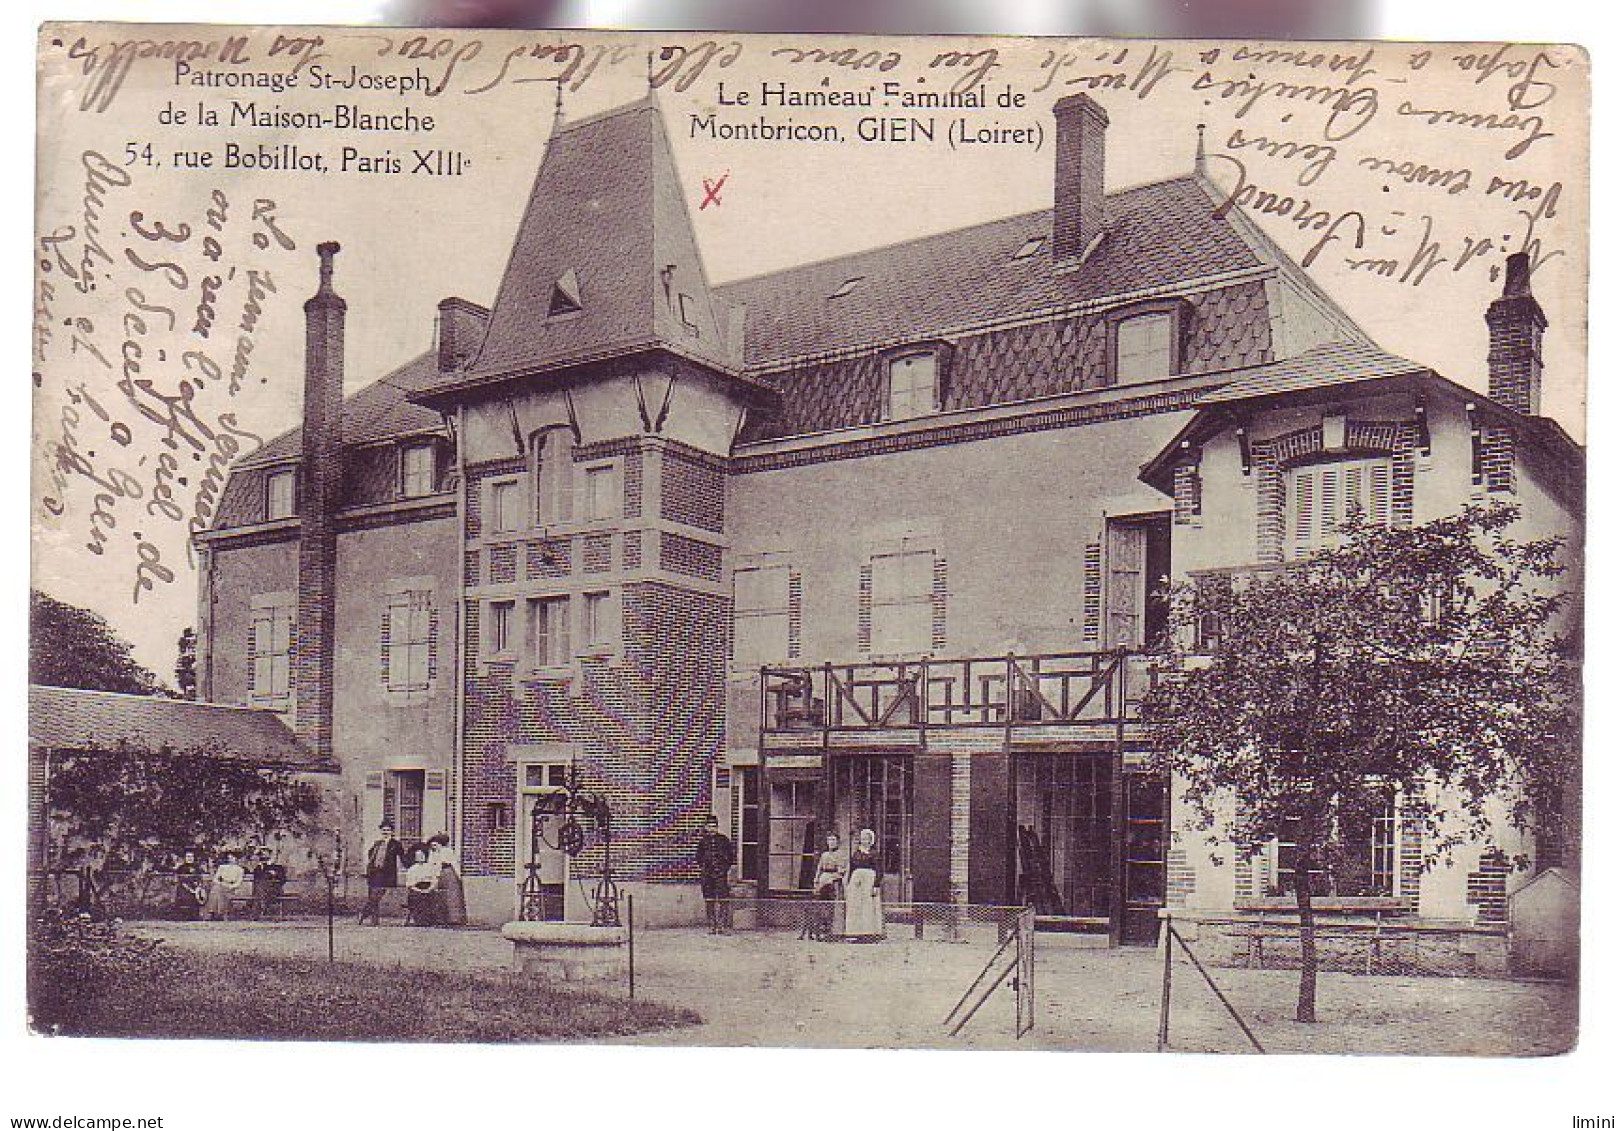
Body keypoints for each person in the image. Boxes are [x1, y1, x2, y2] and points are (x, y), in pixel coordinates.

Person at [358, 821, 408, 926]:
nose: (386, 832)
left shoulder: (396, 844)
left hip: (387, 874)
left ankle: (364, 913)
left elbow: (403, 857)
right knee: (373, 896)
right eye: (384, 830)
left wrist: (410, 866)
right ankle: (374, 921)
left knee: (376, 896)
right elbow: (370, 855)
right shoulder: (377, 843)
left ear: (392, 831)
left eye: (388, 830)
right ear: (381, 831)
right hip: (375, 873)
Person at [695, 815, 734, 934]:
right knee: (709, 899)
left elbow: (730, 857)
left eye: (714, 826)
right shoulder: (703, 841)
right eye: (710, 826)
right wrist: (705, 868)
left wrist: (724, 869)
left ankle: (723, 926)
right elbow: (698, 857)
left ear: (717, 827)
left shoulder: (724, 840)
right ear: (706, 827)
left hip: (721, 875)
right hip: (707, 875)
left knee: (723, 899)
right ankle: (712, 926)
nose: (712, 829)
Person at [843, 828, 884, 941]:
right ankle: (854, 933)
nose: (864, 841)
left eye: (866, 839)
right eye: (862, 839)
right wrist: (848, 883)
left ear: (871, 840)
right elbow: (851, 868)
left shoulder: (874, 853)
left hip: (869, 882)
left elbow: (879, 870)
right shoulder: (856, 853)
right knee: (855, 907)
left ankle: (869, 933)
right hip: (856, 884)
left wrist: (876, 885)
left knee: (868, 907)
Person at [807, 831, 846, 941]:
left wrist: (832, 878)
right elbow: (819, 868)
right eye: (829, 840)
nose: (831, 842)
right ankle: (819, 931)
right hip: (823, 879)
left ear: (837, 842)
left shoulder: (840, 855)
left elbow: (842, 871)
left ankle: (834, 931)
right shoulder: (824, 854)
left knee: (833, 907)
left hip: (834, 882)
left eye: (834, 840)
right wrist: (816, 880)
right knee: (820, 906)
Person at [427, 833, 466, 927]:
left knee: (452, 895)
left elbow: (454, 863)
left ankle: (454, 918)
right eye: (432, 845)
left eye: (436, 845)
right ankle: (441, 918)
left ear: (441, 844)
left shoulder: (447, 851)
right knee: (440, 895)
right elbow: (431, 865)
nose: (434, 847)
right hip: (438, 874)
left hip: (449, 873)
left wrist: (458, 876)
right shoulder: (433, 853)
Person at [403, 845, 440, 926]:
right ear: (415, 858)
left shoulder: (430, 867)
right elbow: (410, 885)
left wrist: (429, 889)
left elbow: (434, 881)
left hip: (428, 888)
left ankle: (431, 920)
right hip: (416, 890)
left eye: (422, 855)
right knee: (418, 898)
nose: (421, 857)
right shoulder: (412, 869)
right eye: (418, 856)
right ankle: (420, 920)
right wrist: (420, 891)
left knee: (433, 897)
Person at [203, 851, 245, 921]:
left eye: (233, 858)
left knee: (217, 890)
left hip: (231, 888)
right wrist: (221, 884)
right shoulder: (222, 867)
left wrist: (230, 886)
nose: (231, 859)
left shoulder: (240, 870)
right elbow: (215, 879)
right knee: (217, 889)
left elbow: (238, 883)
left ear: (236, 859)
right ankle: (219, 913)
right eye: (229, 857)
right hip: (221, 885)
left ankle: (212, 912)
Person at [250, 847, 287, 919]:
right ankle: (261, 910)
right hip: (262, 891)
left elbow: (283, 880)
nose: (263, 855)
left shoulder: (277, 867)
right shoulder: (258, 868)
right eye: (261, 854)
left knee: (260, 888)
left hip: (274, 890)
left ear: (270, 855)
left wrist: (275, 875)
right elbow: (256, 879)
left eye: (265, 853)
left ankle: (259, 911)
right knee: (260, 886)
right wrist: (261, 867)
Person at [172, 850, 205, 920]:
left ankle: (196, 916)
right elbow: (181, 880)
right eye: (188, 856)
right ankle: (183, 916)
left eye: (191, 856)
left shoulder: (197, 867)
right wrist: (191, 890)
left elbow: (200, 879)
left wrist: (198, 888)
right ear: (185, 858)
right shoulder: (181, 868)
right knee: (185, 896)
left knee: (200, 896)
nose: (190, 858)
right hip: (184, 887)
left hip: (196, 888)